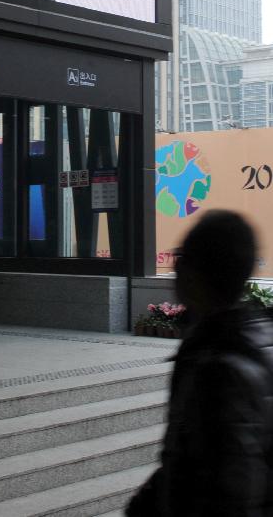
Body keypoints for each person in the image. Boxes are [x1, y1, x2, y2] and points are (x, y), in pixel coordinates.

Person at [126, 209, 273, 517]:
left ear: (195, 273)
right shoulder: (249, 340)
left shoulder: (218, 370)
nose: (174, 268)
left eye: (180, 258)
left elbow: (231, 492)